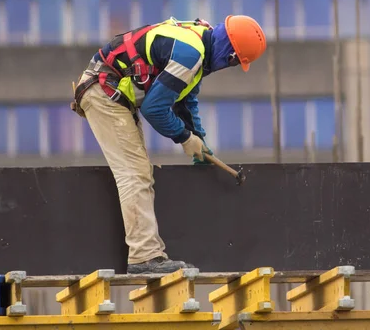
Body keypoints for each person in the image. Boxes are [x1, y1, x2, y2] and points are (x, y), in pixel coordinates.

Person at [70, 15, 266, 274]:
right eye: (234, 63)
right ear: (230, 55)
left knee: (139, 172)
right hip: (103, 91)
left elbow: (185, 99)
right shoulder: (190, 55)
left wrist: (200, 141)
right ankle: (144, 258)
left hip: (112, 91)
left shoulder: (198, 40)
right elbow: (154, 109)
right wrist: (184, 138)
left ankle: (148, 254)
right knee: (134, 174)